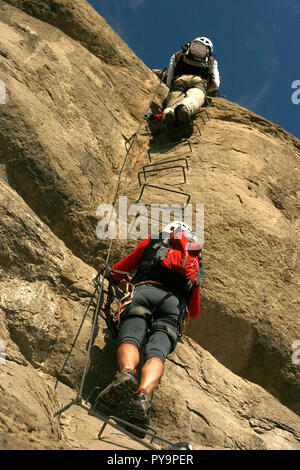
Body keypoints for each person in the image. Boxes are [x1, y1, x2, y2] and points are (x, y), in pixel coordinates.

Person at [99, 221, 203, 434]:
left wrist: (113, 275)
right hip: (174, 306)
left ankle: (127, 374)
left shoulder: (155, 241)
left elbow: (122, 268)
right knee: (157, 354)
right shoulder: (195, 259)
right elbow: (194, 309)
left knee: (131, 337)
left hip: (145, 292)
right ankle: (143, 396)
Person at [163, 36, 220, 130]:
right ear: (209, 50)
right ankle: (184, 107)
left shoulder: (179, 54)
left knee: (172, 103)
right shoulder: (212, 61)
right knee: (194, 98)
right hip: (199, 82)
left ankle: (169, 113)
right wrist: (206, 89)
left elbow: (170, 76)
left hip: (179, 80)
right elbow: (215, 84)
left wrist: (171, 85)